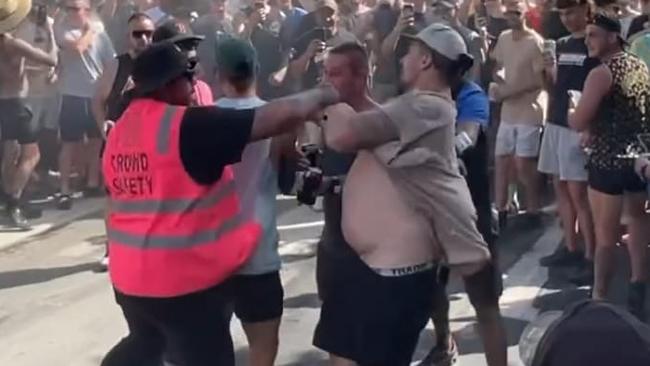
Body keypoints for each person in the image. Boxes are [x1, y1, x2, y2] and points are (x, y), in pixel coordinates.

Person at [100, 41, 339, 366]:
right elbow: (274, 117)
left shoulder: (121, 130)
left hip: (129, 281)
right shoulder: (188, 126)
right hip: (182, 286)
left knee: (147, 342)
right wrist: (326, 93)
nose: (194, 87)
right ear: (171, 84)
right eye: (189, 78)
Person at [320, 24, 507, 366]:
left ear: (424, 61)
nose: (402, 58)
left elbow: (344, 135)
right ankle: (443, 342)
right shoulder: (412, 106)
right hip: (374, 270)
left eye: (409, 52)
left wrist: (327, 102)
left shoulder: (427, 106)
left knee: (484, 307)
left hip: (394, 276)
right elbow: (381, 134)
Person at [568, 13, 650, 320]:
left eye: (593, 35)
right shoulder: (639, 65)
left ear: (613, 37)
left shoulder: (602, 73)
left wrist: (576, 115)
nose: (587, 40)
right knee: (639, 224)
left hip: (607, 161)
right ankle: (638, 287)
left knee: (605, 237)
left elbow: (578, 120)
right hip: (639, 158)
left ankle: (599, 297)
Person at [310, 42, 385, 366]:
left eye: (336, 73)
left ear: (363, 76)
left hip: (370, 255)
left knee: (370, 347)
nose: (328, 81)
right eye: (326, 73)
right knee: (338, 346)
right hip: (334, 247)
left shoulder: (380, 121)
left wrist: (338, 185)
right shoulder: (329, 114)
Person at [417, 56, 494, 366]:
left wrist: (436, 151)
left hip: (470, 208)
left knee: (484, 297)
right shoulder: (419, 96)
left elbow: (468, 136)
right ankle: (444, 344)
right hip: (432, 204)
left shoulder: (471, 95)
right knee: (431, 281)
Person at [214, 38, 284, 366]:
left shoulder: (202, 119)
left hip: (211, 253)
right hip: (259, 251)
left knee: (208, 347)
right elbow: (287, 174)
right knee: (264, 344)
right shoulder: (277, 119)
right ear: (257, 70)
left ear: (219, 74)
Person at [537, 0, 598, 284]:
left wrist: (591, 126)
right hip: (555, 121)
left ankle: (591, 257)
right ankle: (571, 246)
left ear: (586, 10)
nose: (566, 18)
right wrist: (547, 72)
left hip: (578, 126)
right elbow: (556, 85)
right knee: (559, 187)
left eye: (571, 11)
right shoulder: (559, 44)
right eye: (562, 13)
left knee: (579, 195)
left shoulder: (593, 41)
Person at [0, 0, 58, 228]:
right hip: (17, 104)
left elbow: (13, 69)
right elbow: (51, 59)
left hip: (1, 103)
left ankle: (9, 201)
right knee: (32, 155)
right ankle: (14, 203)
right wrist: (49, 32)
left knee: (9, 153)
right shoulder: (13, 44)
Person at [491, 0, 546, 229]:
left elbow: (539, 81)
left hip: (529, 110)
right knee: (502, 160)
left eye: (516, 13)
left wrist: (508, 91)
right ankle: (501, 209)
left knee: (524, 163)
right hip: (508, 110)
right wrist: (498, 81)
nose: (511, 17)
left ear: (525, 15)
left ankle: (533, 208)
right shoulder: (503, 38)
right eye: (509, 13)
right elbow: (497, 64)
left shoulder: (535, 42)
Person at [55, 0, 115, 210]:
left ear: (87, 11)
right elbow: (77, 48)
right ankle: (64, 189)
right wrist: (91, 30)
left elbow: (111, 61)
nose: (70, 12)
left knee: (96, 140)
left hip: (95, 95)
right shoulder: (62, 29)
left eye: (76, 8)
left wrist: (107, 88)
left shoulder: (100, 32)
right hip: (72, 94)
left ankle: (91, 182)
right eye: (68, 8)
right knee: (69, 143)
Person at [93, 12, 154, 135]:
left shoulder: (160, 64)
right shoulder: (116, 65)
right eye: (137, 34)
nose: (143, 38)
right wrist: (103, 127)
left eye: (148, 34)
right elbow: (98, 101)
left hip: (149, 137)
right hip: (120, 139)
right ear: (128, 36)